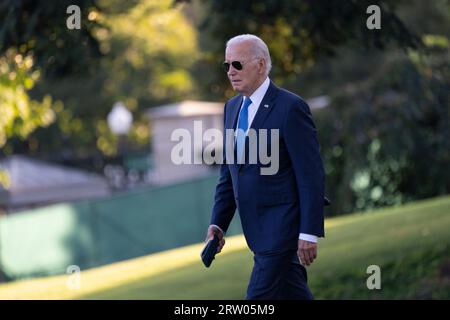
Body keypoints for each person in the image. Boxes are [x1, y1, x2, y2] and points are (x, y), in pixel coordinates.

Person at [204, 34, 327, 300]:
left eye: (237, 64)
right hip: (257, 234)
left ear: (260, 64)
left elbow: (311, 175)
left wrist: (309, 231)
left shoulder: (290, 108)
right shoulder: (231, 108)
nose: (231, 72)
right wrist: (218, 223)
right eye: (226, 66)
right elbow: (230, 174)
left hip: (282, 233)